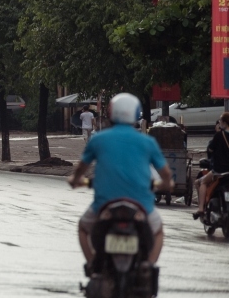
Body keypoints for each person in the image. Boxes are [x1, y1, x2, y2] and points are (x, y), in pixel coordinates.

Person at [68, 93, 174, 268]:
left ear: (111, 114)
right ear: (137, 115)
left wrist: (75, 180)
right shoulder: (147, 142)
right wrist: (167, 184)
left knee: (82, 228)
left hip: (104, 205)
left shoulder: (98, 139)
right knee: (158, 232)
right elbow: (166, 174)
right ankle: (149, 265)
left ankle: (93, 265)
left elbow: (81, 167)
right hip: (141, 205)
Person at [193, 111, 229, 220]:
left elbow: (210, 149)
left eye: (220, 121)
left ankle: (200, 209)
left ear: (224, 122)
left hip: (219, 170)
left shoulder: (219, 135)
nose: (219, 123)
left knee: (201, 182)